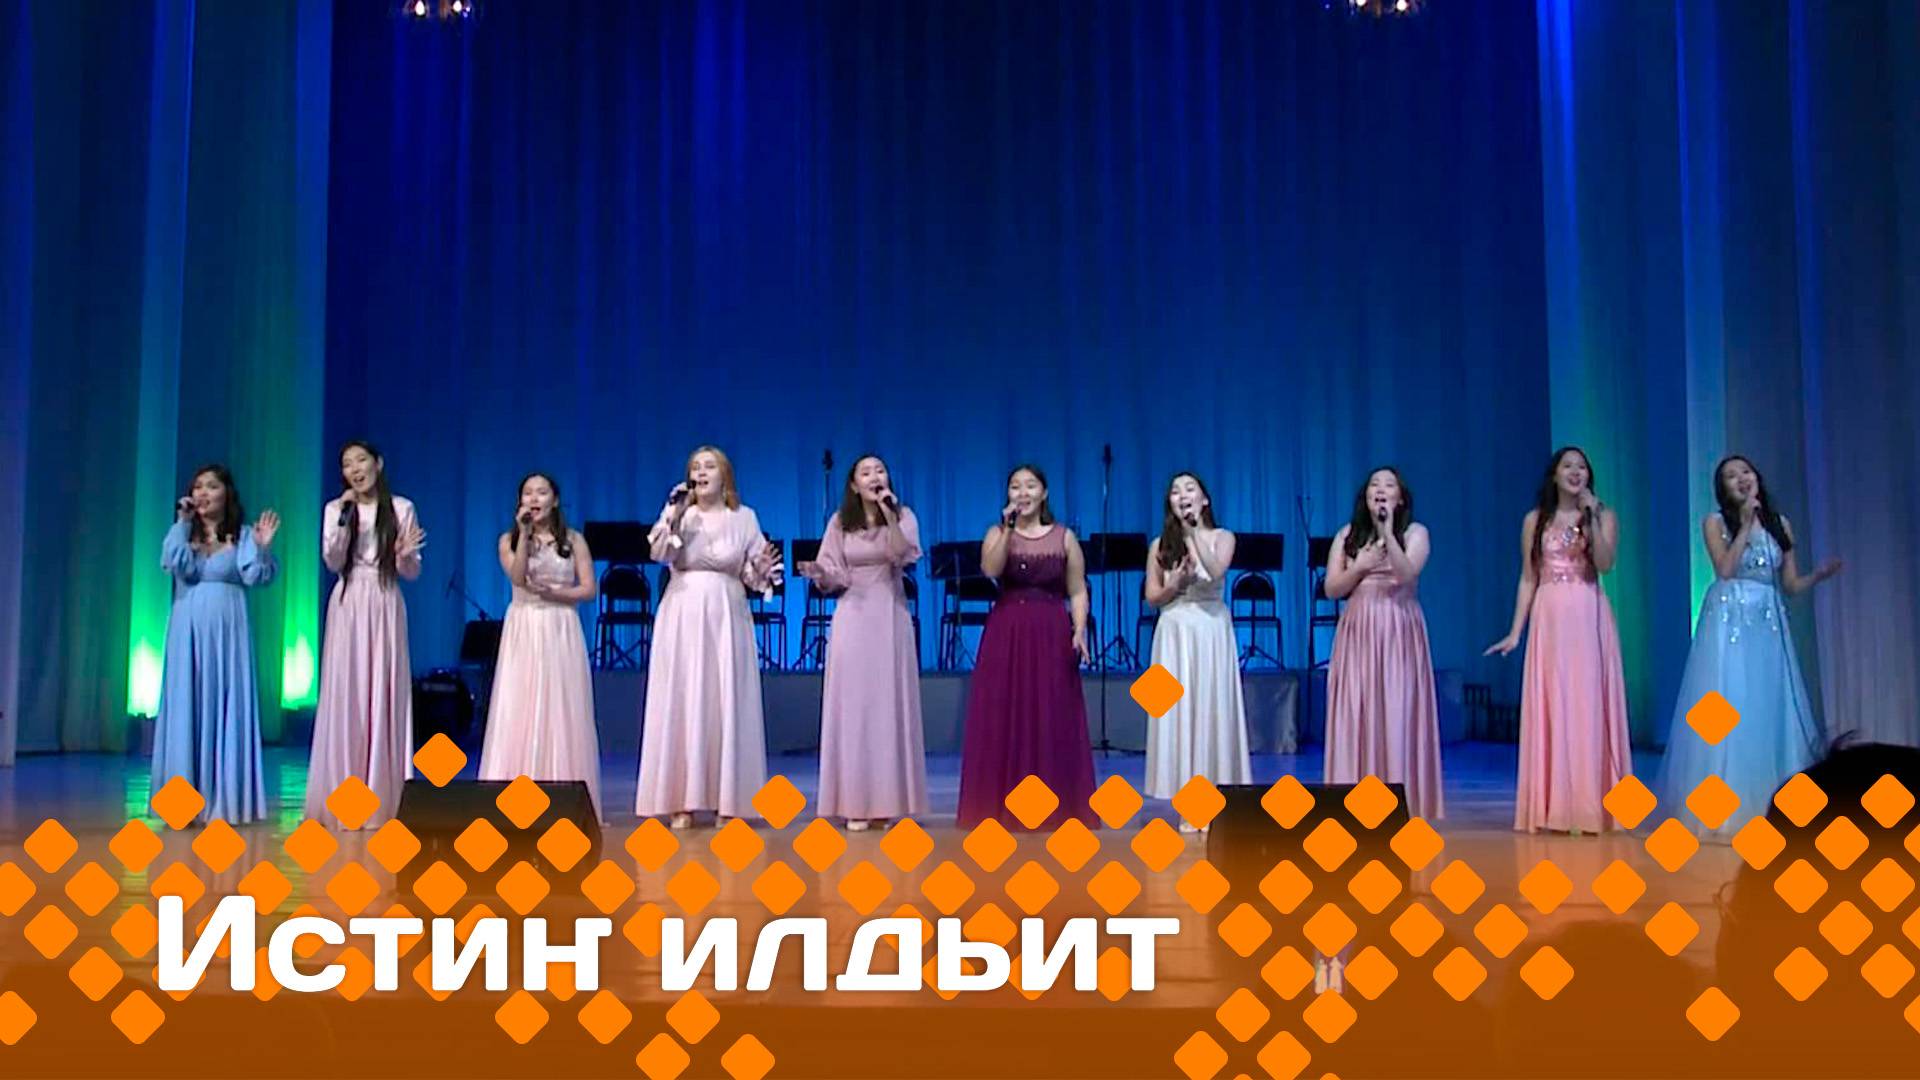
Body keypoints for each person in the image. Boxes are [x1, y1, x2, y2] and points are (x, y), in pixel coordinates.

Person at [1652, 455, 1841, 839]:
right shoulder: (1715, 523)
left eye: (1745, 472)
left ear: (1757, 477)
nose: (1740, 478)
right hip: (1729, 619)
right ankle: (1724, 807)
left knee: (1767, 704)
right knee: (1730, 701)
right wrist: (1745, 524)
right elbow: (1724, 569)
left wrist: (1817, 576)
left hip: (1767, 622)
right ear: (1722, 488)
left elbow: (1789, 585)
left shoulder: (1780, 524)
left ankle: (1779, 804)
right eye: (1730, 476)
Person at [1486, 446, 1630, 834]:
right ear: (1554, 475)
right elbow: (1528, 577)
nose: (1576, 472)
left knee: (1588, 706)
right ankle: (1555, 807)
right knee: (1554, 703)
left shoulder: (1604, 515)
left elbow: (1605, 564)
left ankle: (1592, 808)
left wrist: (1593, 517)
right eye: (1568, 466)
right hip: (1549, 616)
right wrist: (1515, 632)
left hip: (1588, 613)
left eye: (1582, 466)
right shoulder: (1535, 520)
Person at [635, 446, 781, 828]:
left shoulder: (744, 517)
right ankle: (680, 799)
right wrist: (672, 514)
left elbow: (753, 574)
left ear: (724, 475)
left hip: (727, 612)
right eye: (695, 467)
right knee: (683, 698)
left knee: (724, 698)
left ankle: (727, 800)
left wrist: (763, 570)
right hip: (683, 610)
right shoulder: (681, 514)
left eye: (709, 466)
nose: (701, 473)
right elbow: (658, 553)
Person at [956, 464, 1096, 830]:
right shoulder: (997, 532)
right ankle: (1000, 806)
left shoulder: (1064, 537)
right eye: (1015, 486)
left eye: (1030, 486)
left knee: (1052, 713)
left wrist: (1079, 630)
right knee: (1005, 713)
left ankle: (1056, 807)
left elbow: (1077, 590)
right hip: (1007, 631)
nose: (1023, 493)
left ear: (1044, 492)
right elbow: (990, 569)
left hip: (1050, 629)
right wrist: (1007, 530)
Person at [798, 454, 928, 831]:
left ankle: (887, 802)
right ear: (854, 485)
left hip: (889, 613)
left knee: (887, 704)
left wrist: (889, 515)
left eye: (880, 471)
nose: (875, 477)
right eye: (866, 473)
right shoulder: (840, 522)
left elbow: (903, 555)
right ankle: (853, 802)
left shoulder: (903, 516)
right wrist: (820, 573)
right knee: (854, 708)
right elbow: (833, 573)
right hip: (852, 616)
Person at [308, 440, 424, 830]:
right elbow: (332, 561)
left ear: (378, 463)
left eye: (361, 460)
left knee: (382, 694)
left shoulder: (402, 508)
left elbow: (412, 572)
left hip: (385, 599)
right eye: (347, 464)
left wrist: (404, 555)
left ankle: (381, 798)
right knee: (348, 694)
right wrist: (344, 520)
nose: (355, 469)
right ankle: (344, 797)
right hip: (349, 601)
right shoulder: (335, 509)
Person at [154, 465, 280, 824]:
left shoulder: (242, 536)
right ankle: (181, 805)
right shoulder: (184, 534)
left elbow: (256, 576)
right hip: (187, 631)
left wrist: (262, 549)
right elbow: (173, 563)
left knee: (226, 706)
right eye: (198, 487)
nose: (203, 493)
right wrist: (182, 522)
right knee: (186, 706)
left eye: (211, 486)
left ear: (227, 494)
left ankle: (226, 801)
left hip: (228, 635)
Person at [479, 473, 603, 819]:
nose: (534, 499)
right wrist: (524, 536)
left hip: (561, 625)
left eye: (542, 492)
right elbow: (517, 577)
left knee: (562, 706)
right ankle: (516, 796)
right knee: (519, 703)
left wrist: (556, 594)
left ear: (555, 499)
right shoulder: (508, 539)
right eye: (528, 493)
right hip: (524, 626)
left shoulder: (574, 540)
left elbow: (588, 589)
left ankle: (565, 798)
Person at [1322, 466, 1443, 819]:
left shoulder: (1416, 533)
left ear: (1400, 498)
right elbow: (1332, 589)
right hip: (1358, 628)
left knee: (1396, 710)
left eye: (1389, 485)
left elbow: (1407, 574)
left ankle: (1398, 802)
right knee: (1357, 711)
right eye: (1374, 484)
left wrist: (1388, 534)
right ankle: (1354, 803)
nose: (1381, 489)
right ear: (1365, 496)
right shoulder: (1346, 535)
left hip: (1398, 627)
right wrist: (1360, 566)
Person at [1141, 472, 1250, 823]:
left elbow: (1216, 571)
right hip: (1173, 633)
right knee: (1176, 715)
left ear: (1205, 500)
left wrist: (1191, 534)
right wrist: (1174, 584)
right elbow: (1152, 597)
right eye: (1175, 491)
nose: (1183, 495)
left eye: (1190, 489)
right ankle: (1186, 803)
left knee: (1209, 709)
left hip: (1210, 632)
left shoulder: (1223, 536)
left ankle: (1211, 802)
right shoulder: (1159, 546)